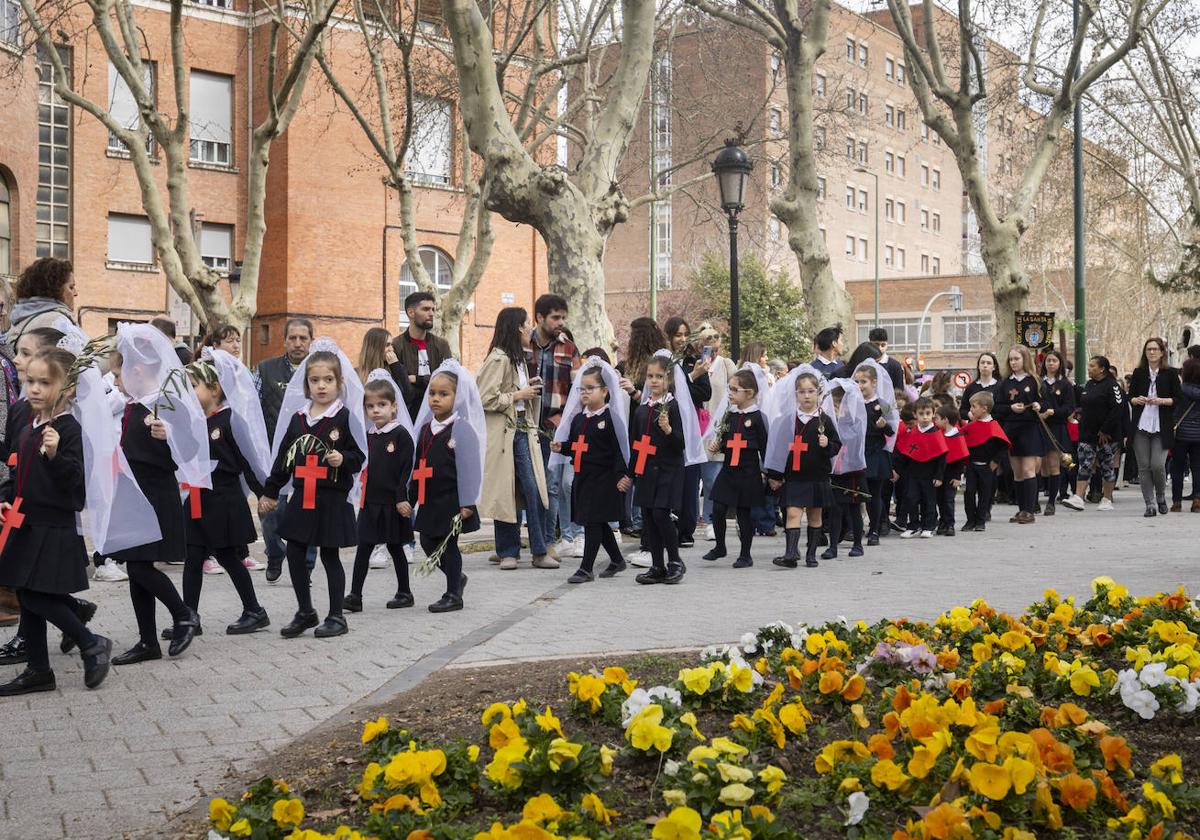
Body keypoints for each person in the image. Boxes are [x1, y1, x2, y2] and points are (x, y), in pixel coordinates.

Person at [0, 348, 113, 695]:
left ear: (67, 389)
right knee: (26, 592)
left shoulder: (69, 431)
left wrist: (54, 455)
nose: (33, 389)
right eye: (29, 381)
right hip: (27, 523)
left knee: (36, 597)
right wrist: (4, 495)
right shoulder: (31, 426)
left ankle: (90, 642)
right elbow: (19, 471)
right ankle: (38, 670)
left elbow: (76, 484)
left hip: (53, 526)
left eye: (44, 382)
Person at [109, 323, 212, 665]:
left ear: (137, 368)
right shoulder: (132, 403)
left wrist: (167, 434)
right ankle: (147, 641)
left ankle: (184, 614)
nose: (116, 379)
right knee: (135, 566)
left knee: (140, 568)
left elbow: (194, 444)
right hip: (134, 494)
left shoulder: (167, 403)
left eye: (118, 372)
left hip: (155, 495)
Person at [260, 340, 367, 639]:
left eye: (328, 380)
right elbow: (283, 460)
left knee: (329, 556)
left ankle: (336, 616)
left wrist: (342, 458)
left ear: (339, 382)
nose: (321, 386)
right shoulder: (298, 420)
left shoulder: (343, 418)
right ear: (306, 384)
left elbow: (359, 457)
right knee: (294, 553)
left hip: (331, 500)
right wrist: (270, 492)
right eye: (315, 380)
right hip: (301, 498)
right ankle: (305, 611)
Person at [175, 351, 271, 636]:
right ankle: (190, 617)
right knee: (193, 557)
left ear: (214, 388)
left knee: (229, 556)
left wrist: (264, 494)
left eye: (193, 386)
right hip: (196, 499)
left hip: (224, 499)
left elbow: (247, 461)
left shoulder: (229, 420)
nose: (189, 393)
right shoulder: (194, 422)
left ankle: (254, 610)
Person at [478, 307, 552, 571]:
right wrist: (519, 395)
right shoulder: (499, 358)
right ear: (518, 327)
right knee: (506, 490)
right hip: (508, 432)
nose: (531, 327)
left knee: (532, 489)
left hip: (523, 430)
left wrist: (526, 387)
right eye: (527, 323)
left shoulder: (517, 358)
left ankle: (538, 550)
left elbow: (508, 390)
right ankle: (509, 551)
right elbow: (486, 397)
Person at [409, 361, 484, 612]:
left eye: (443, 394)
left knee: (448, 545)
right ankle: (457, 577)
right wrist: (409, 498)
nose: (435, 399)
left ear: (457, 396)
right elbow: (417, 465)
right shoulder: (425, 430)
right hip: (429, 498)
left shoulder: (462, 429)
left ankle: (453, 594)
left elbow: (471, 468)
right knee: (428, 543)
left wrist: (468, 501)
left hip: (453, 499)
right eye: (432, 393)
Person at [551, 360, 631, 583]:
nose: (584, 393)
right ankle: (616, 559)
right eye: (581, 389)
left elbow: (618, 451)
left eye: (590, 388)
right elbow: (576, 447)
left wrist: (623, 476)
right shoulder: (578, 419)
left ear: (605, 391)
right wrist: (563, 447)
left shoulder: (610, 419)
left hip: (605, 480)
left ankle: (586, 568)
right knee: (596, 521)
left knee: (594, 522)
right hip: (583, 478)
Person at [345, 371, 415, 612]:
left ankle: (404, 591)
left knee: (396, 548)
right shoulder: (367, 437)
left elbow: (406, 470)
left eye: (382, 405)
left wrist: (401, 498)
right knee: (363, 547)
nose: (376, 410)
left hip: (392, 503)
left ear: (394, 407)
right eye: (371, 406)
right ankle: (355, 595)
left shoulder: (401, 436)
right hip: (370, 502)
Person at [255, 317, 314, 582]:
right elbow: (253, 409)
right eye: (293, 338)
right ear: (284, 340)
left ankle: (306, 565)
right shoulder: (266, 369)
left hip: (311, 456)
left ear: (311, 340)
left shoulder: (320, 370)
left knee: (308, 510)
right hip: (274, 452)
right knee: (271, 510)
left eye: (303, 338)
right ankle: (276, 555)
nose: (298, 343)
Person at [765, 368, 841, 568]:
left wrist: (828, 445)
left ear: (818, 393)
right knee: (792, 513)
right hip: (795, 476)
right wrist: (775, 475)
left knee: (815, 515)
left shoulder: (824, 420)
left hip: (817, 476)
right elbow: (778, 449)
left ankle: (811, 555)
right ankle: (790, 555)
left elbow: (837, 446)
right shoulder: (788, 420)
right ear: (796, 394)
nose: (806, 396)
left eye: (811, 391)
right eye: (802, 392)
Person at [629, 353, 691, 584]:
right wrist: (630, 473)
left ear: (669, 379)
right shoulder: (641, 410)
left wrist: (667, 430)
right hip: (645, 471)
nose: (654, 381)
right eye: (650, 376)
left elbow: (680, 443)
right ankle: (657, 565)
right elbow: (635, 444)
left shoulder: (672, 407)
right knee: (648, 517)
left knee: (660, 514)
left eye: (659, 377)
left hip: (668, 470)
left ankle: (675, 561)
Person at [528, 294, 582, 557]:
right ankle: (517, 543)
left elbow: (578, 392)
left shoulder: (569, 348)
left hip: (554, 426)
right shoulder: (522, 343)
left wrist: (568, 426)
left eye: (563, 317)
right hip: (524, 425)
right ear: (539, 317)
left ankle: (548, 541)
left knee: (550, 486)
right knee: (523, 485)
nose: (561, 322)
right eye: (555, 317)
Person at [702, 368, 768, 567]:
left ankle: (745, 554)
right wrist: (717, 444)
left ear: (749, 393)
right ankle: (720, 546)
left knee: (743, 514)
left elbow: (765, 446)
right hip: (729, 470)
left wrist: (770, 473)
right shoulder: (730, 415)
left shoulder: (756, 417)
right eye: (729, 389)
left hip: (748, 472)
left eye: (734, 389)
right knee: (719, 508)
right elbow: (726, 439)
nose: (729, 393)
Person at [617, 317, 669, 564]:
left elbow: (654, 400)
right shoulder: (636, 363)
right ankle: (648, 542)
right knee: (642, 483)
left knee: (648, 486)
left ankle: (651, 546)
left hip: (649, 427)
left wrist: (633, 392)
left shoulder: (652, 365)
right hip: (639, 425)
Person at [662, 317, 712, 549]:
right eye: (677, 335)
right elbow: (666, 390)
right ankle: (668, 523)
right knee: (671, 474)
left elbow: (704, 393)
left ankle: (686, 529)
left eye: (684, 334)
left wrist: (694, 376)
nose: (681, 339)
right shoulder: (664, 361)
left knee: (690, 475)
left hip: (690, 425)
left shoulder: (694, 361)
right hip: (669, 423)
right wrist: (690, 378)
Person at [1062, 356, 1125, 512]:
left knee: (1107, 467)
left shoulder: (1112, 386)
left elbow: (1118, 409)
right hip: (1087, 434)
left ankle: (1107, 498)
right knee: (1085, 465)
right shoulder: (1089, 385)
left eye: (1092, 366)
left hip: (1107, 436)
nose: (1088, 368)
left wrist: (1105, 430)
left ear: (1102, 368)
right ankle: (1078, 497)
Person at [1129, 337, 1179, 517]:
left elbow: (1178, 399)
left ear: (1162, 352)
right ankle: (1149, 504)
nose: (1151, 352)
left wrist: (1162, 401)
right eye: (1148, 349)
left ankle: (1160, 497)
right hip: (1141, 426)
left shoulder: (1171, 373)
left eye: (1155, 349)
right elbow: (1131, 396)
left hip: (1161, 426)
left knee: (1157, 465)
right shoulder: (1138, 372)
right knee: (1143, 467)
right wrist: (1136, 400)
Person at [993, 346, 1044, 524]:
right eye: (1011, 359)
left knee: (1029, 469)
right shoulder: (1005, 383)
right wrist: (1010, 408)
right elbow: (997, 408)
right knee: (1017, 472)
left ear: (1025, 359)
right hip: (1011, 430)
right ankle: (1021, 509)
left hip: (1030, 428)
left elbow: (1043, 402)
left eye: (1017, 359)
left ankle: (1029, 511)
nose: (1013, 362)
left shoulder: (1034, 381)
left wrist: (1039, 406)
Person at [821, 380, 867, 560]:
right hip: (835, 473)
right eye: (834, 404)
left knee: (855, 509)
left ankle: (857, 544)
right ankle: (833, 546)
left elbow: (855, 444)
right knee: (835, 510)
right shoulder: (827, 423)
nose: (837, 407)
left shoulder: (855, 422)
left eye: (840, 403)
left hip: (853, 472)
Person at [391, 292, 454, 422]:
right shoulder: (396, 345)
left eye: (433, 309)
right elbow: (398, 384)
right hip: (407, 413)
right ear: (411, 313)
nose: (431, 314)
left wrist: (416, 379)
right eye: (425, 309)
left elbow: (449, 379)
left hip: (438, 413)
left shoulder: (441, 345)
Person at [701, 332, 740, 540]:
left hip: (715, 427)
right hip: (695, 427)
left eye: (715, 344)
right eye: (708, 344)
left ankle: (710, 519)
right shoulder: (696, 366)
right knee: (693, 480)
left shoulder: (726, 365)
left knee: (712, 478)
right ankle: (691, 519)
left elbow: (737, 389)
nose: (712, 349)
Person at [853, 360, 897, 545]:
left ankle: (874, 530)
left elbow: (892, 430)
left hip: (876, 452)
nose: (860, 385)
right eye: (857, 382)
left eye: (864, 382)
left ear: (874, 383)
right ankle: (853, 528)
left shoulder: (883, 404)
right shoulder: (853, 402)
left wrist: (884, 426)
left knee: (875, 494)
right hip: (858, 453)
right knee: (858, 492)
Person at [893, 397, 947, 538]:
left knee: (929, 501)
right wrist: (897, 471)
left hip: (930, 475)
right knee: (911, 499)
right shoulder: (912, 433)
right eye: (921, 414)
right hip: (913, 474)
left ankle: (928, 526)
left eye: (928, 413)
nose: (925, 417)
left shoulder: (936, 434)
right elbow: (904, 454)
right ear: (915, 415)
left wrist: (939, 476)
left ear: (933, 414)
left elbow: (942, 458)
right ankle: (913, 526)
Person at [6, 257, 77, 354]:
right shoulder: (57, 321)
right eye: (71, 287)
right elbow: (83, 363)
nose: (75, 293)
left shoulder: (21, 318)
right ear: (55, 290)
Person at [961, 392, 1010, 531]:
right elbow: (961, 440)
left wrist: (996, 461)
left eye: (973, 406)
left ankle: (981, 521)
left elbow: (1003, 446)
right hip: (971, 466)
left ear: (984, 408)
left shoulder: (993, 425)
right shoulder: (971, 425)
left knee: (985, 495)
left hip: (987, 468)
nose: (970, 409)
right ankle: (970, 520)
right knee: (969, 493)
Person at [1037, 350, 1075, 516]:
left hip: (1056, 427)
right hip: (1038, 426)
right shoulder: (1038, 382)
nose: (1050, 363)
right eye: (1048, 360)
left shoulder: (1065, 384)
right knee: (1037, 466)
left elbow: (1069, 408)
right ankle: (1033, 502)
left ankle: (1051, 502)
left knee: (1053, 465)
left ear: (1060, 364)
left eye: (1054, 361)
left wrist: (1053, 412)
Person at [1170, 357, 1200, 512]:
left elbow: (1174, 411)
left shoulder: (1179, 390)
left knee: (1177, 468)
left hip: (1181, 434)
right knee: (1197, 468)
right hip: (1198, 436)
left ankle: (1177, 502)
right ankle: (1197, 500)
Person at [934, 403, 967, 535]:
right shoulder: (939, 435)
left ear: (945, 420)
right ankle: (942, 522)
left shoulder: (958, 436)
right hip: (940, 474)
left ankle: (950, 524)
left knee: (948, 500)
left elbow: (961, 459)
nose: (934, 421)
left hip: (951, 475)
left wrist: (958, 477)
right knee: (939, 499)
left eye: (937, 418)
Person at [868, 327, 904, 398]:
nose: (880, 348)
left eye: (883, 345)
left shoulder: (895, 365)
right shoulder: (864, 363)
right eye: (876, 344)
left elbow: (899, 391)